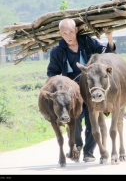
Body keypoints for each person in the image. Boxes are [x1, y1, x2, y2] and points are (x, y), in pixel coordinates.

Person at [47, 18, 116, 162]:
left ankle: (89, 152)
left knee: (92, 120)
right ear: (61, 34)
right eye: (65, 33)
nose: (69, 36)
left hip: (91, 89)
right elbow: (52, 73)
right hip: (71, 93)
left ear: (76, 30)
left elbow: (107, 55)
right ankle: (77, 145)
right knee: (74, 119)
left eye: (71, 32)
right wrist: (60, 87)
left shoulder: (87, 42)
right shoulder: (57, 52)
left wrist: (109, 38)